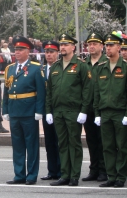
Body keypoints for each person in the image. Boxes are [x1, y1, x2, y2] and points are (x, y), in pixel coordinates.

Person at [46, 34, 91, 186]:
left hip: (73, 111)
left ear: (73, 47)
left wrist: (84, 111)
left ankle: (74, 176)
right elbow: (49, 92)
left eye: (66, 44)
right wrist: (48, 111)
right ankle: (65, 174)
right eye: (62, 44)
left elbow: (87, 90)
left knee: (74, 144)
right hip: (58, 111)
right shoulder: (55, 67)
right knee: (62, 144)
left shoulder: (81, 66)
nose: (63, 47)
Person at [3, 36, 45, 185]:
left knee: (31, 145)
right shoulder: (10, 68)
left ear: (28, 51)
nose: (17, 52)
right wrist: (5, 109)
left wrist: (39, 110)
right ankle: (19, 174)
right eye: (16, 50)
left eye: (21, 50)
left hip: (29, 111)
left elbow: (41, 91)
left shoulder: (35, 68)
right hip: (14, 111)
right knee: (17, 145)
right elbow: (6, 90)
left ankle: (31, 175)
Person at [93, 32, 127, 188]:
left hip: (120, 113)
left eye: (111, 45)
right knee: (108, 146)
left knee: (122, 146)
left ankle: (121, 176)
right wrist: (97, 113)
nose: (108, 48)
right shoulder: (102, 68)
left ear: (119, 47)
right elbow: (97, 93)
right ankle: (111, 176)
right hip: (105, 113)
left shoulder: (125, 67)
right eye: (106, 45)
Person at [81, 33, 107, 182]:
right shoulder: (84, 64)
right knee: (91, 140)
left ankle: (104, 170)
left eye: (95, 44)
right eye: (89, 44)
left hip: (102, 108)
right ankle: (94, 169)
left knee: (103, 140)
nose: (91, 46)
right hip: (88, 108)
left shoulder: (106, 62)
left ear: (101, 46)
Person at [41, 41, 61, 181]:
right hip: (45, 111)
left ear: (57, 53)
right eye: (47, 52)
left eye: (52, 52)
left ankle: (62, 170)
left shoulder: (61, 68)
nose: (49, 55)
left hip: (59, 109)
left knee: (60, 141)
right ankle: (52, 171)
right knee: (49, 142)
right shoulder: (40, 70)